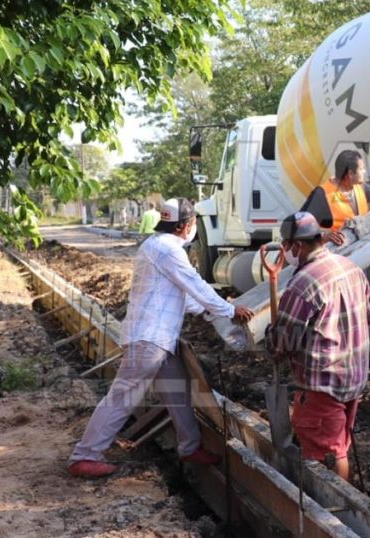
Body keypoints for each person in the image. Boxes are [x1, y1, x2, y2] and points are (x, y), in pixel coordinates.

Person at [67, 198, 254, 478]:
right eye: (192, 224)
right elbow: (194, 284)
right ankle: (85, 455)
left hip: (159, 340)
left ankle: (189, 446)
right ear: (184, 226)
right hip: (149, 340)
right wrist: (229, 310)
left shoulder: (156, 246)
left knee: (178, 391)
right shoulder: (168, 249)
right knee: (123, 395)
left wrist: (208, 311)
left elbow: (180, 295)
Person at [264, 211, 370, 480]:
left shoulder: (302, 284)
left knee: (328, 456)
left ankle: (331, 505)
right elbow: (367, 317)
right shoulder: (351, 268)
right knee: (338, 445)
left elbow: (281, 344)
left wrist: (270, 335)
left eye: (286, 246)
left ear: (297, 246)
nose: (286, 251)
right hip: (354, 378)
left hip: (323, 385)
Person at [299, 150, 370, 246]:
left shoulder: (359, 187)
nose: (364, 171)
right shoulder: (321, 195)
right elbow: (300, 226)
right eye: (361, 169)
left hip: (362, 248)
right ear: (350, 173)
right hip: (336, 252)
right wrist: (323, 236)